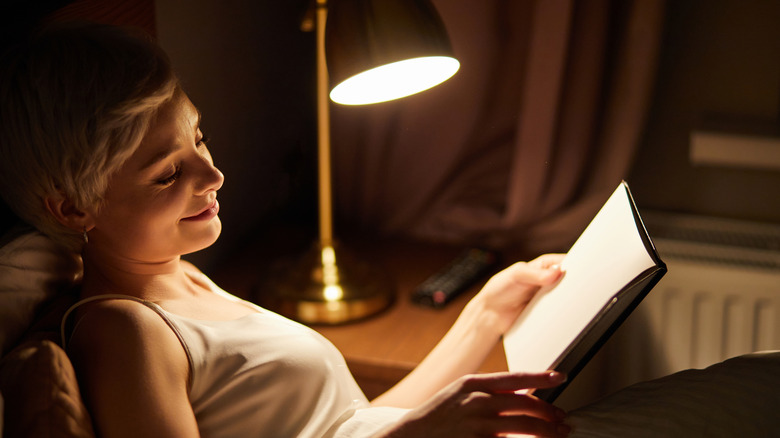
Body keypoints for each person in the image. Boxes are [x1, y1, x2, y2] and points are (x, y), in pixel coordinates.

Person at [0, 22, 570, 438]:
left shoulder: (182, 279)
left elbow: (350, 425)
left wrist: (485, 317)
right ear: (73, 210)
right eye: (168, 174)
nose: (213, 175)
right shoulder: (125, 328)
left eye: (197, 139)